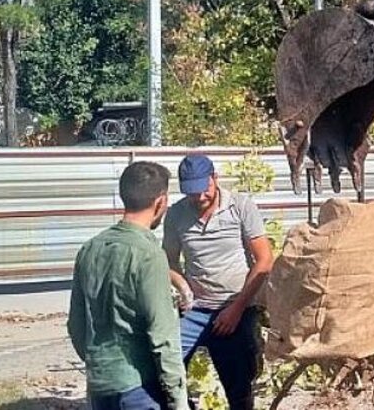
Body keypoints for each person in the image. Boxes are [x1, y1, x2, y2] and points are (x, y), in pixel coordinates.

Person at [67, 161, 188, 410]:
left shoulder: (89, 249)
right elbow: (163, 337)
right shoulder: (149, 255)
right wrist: (179, 400)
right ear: (161, 201)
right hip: (139, 388)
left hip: (100, 387)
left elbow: (76, 325)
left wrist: (101, 367)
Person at [163, 154, 274, 410]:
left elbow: (264, 260)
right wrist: (183, 289)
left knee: (239, 386)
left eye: (204, 189)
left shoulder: (240, 206)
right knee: (166, 369)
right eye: (192, 192)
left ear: (215, 178)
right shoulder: (176, 214)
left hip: (236, 307)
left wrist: (236, 309)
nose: (200, 197)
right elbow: (168, 261)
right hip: (195, 311)